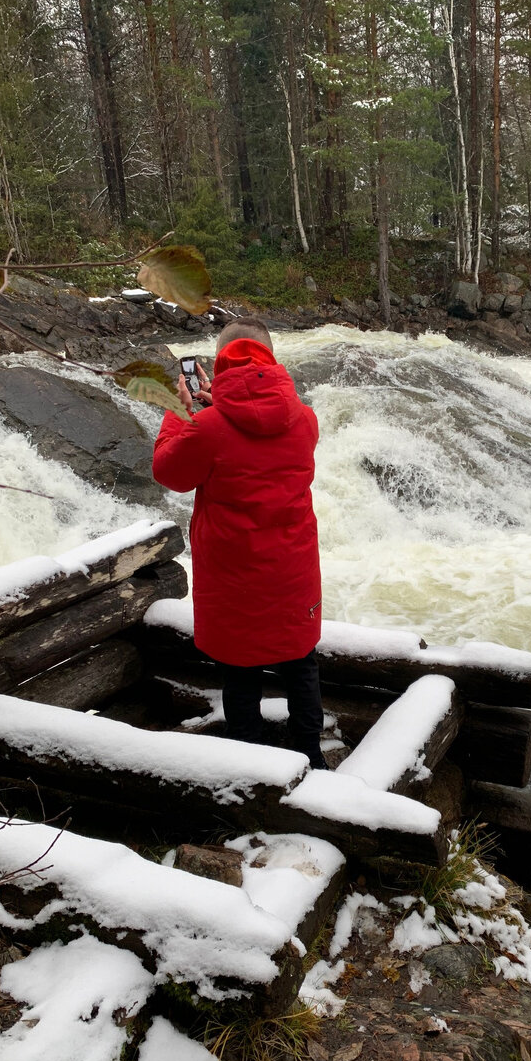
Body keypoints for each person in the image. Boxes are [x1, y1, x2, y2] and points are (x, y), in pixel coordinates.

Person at [152, 316, 327, 769]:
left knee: (241, 671)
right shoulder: (305, 420)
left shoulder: (207, 428)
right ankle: (311, 754)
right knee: (301, 665)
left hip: (234, 577)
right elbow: (258, 421)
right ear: (272, 359)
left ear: (219, 365)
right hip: (293, 571)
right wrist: (218, 407)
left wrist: (180, 409)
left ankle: (247, 762)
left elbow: (170, 472)